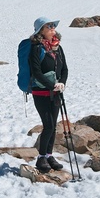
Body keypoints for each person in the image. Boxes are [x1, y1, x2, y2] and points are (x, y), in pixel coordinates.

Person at [28, 16, 68, 173]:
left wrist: (62, 83)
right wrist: (53, 85)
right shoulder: (36, 48)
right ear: (41, 31)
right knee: (49, 125)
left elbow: (65, 69)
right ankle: (41, 158)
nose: (53, 28)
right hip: (41, 92)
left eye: (53, 26)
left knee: (53, 126)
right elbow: (36, 72)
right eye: (48, 26)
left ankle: (49, 155)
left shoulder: (58, 47)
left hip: (56, 92)